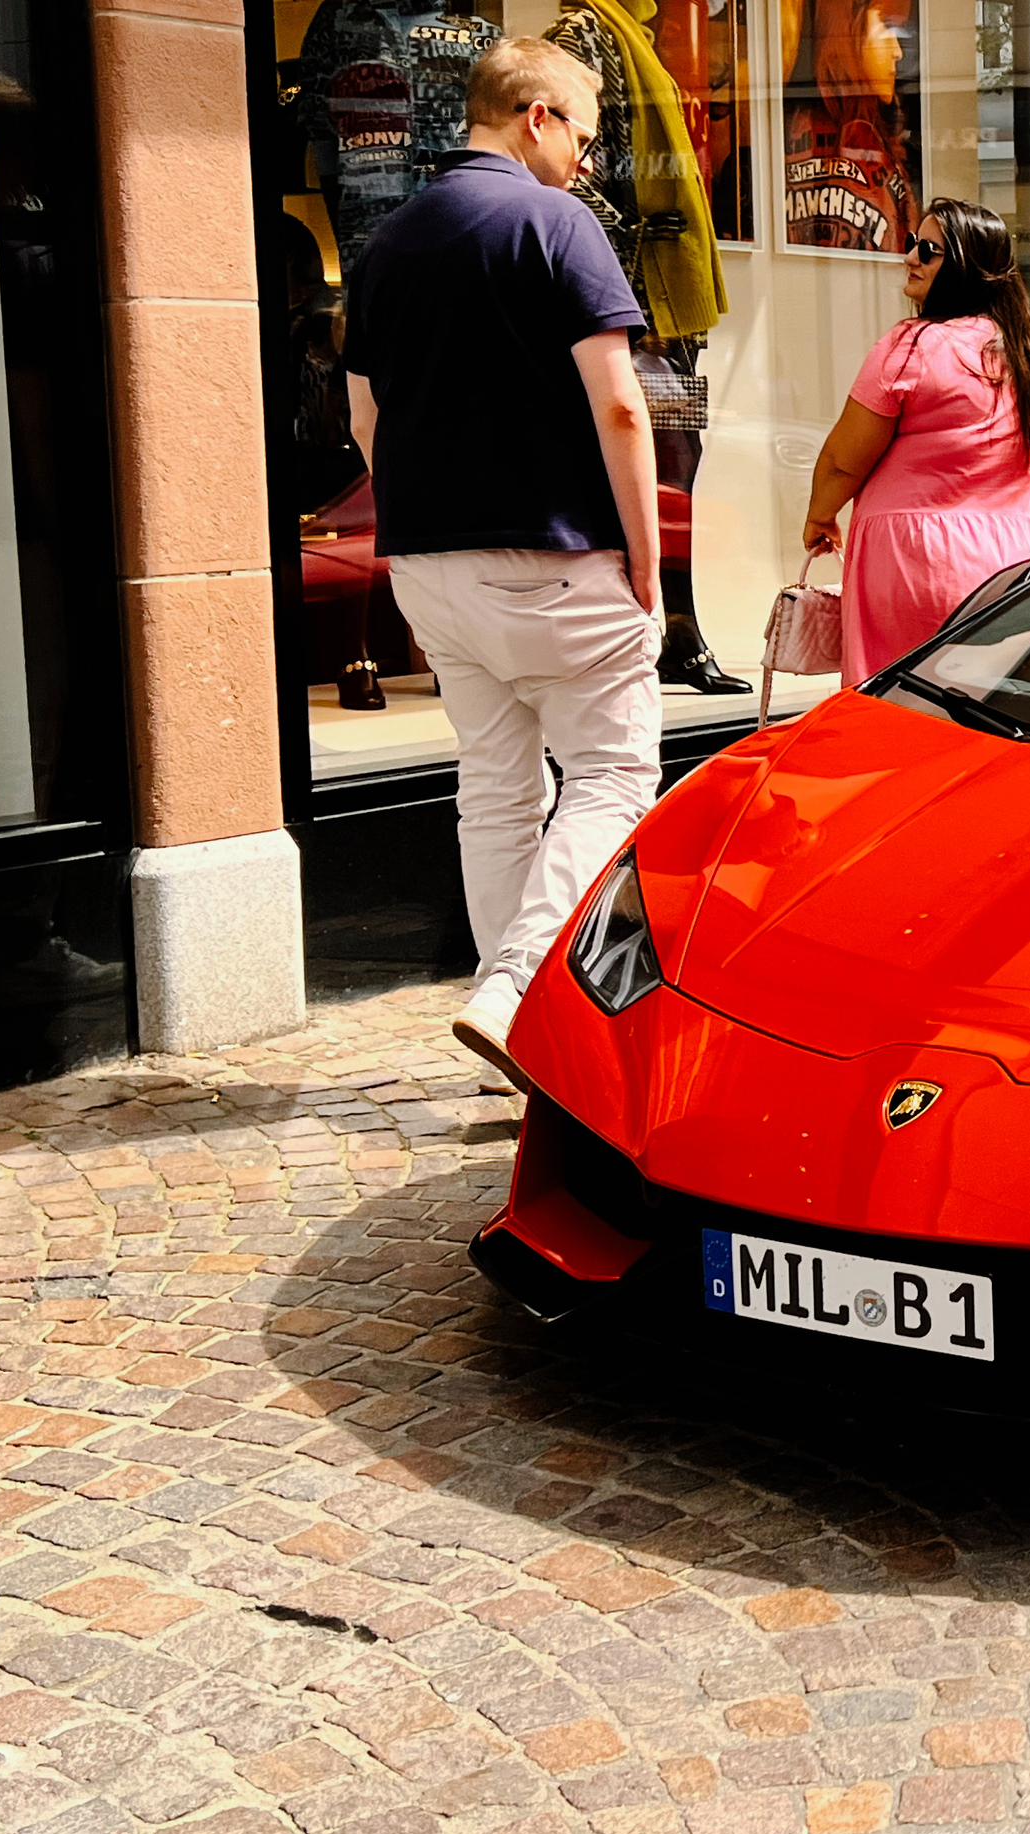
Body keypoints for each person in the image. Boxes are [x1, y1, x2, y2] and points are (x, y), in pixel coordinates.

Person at [344, 36, 664, 1090]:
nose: (586, 157)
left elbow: (364, 416)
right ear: (534, 116)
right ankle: (520, 987)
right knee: (613, 772)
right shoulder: (555, 222)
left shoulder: (387, 241)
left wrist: (421, 511)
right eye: (581, 131)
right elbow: (619, 402)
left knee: (493, 787)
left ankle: (508, 1030)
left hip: (427, 565)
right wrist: (649, 561)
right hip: (554, 554)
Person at [803, 199, 1030, 681]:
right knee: (999, 714)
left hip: (907, 559)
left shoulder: (910, 346)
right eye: (912, 244)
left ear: (967, 266)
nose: (911, 258)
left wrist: (820, 515)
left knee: (898, 711)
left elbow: (843, 461)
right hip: (1012, 563)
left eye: (928, 250)